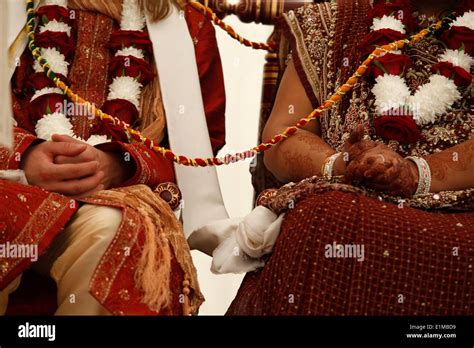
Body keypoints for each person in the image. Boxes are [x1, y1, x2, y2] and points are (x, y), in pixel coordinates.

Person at [221, 0, 473, 315]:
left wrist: (414, 174)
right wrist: (343, 163)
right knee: (322, 218)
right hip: (344, 194)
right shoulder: (333, 22)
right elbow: (282, 136)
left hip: (459, 211)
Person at [0, 0, 227, 315]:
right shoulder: (10, 9)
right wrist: (25, 157)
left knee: (114, 227)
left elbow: (197, 153)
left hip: (112, 205)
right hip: (11, 191)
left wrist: (120, 163)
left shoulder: (186, 22)